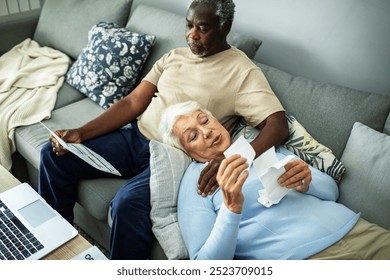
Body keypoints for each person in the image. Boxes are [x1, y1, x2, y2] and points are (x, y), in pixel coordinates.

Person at [38, 0, 292, 259]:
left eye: (202, 28)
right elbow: (133, 102)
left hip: (174, 159)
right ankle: (55, 246)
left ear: (224, 28)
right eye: (189, 25)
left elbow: (277, 125)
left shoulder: (242, 72)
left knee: (127, 203)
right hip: (136, 138)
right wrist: (81, 133)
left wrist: (231, 158)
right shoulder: (174, 56)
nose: (192, 34)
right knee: (55, 153)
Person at [160, 101, 390, 260]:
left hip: (360, 231)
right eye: (193, 136)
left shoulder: (257, 147)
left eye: (205, 121)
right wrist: (231, 209)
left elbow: (331, 192)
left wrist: (306, 181)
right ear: (187, 152)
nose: (206, 131)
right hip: (302, 259)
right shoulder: (197, 183)